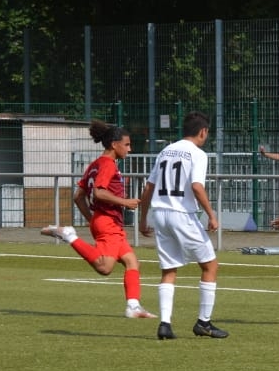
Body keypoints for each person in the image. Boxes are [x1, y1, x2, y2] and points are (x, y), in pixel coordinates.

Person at [41, 119, 156, 320]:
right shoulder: (108, 165)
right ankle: (69, 236)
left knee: (132, 261)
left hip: (106, 222)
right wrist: (125, 202)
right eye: (127, 145)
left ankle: (133, 306)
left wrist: (93, 218)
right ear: (114, 145)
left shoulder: (95, 165)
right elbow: (99, 192)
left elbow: (78, 196)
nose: (130, 149)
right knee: (105, 267)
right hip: (108, 223)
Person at [137, 111, 228, 340]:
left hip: (160, 214)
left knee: (169, 270)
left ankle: (165, 324)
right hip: (181, 215)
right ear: (203, 131)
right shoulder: (198, 154)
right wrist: (211, 215)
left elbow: (148, 187)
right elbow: (197, 187)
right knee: (210, 266)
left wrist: (142, 218)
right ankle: (203, 322)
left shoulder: (166, 151)